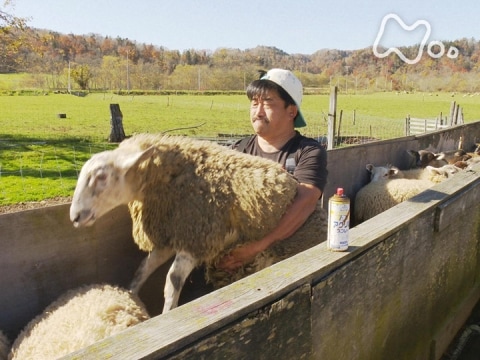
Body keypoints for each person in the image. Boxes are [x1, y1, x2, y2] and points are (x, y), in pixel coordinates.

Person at [217, 68, 328, 271]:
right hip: (235, 257)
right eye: (254, 103)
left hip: (290, 261)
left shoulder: (308, 152)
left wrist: (255, 249)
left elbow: (305, 203)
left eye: (267, 103)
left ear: (291, 111)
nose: (258, 111)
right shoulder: (238, 151)